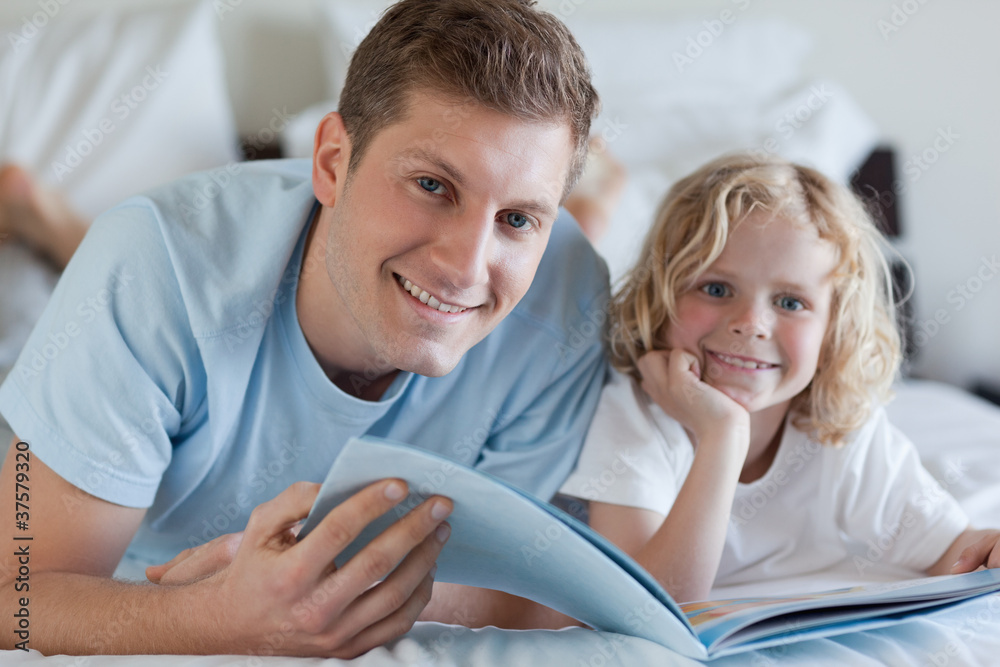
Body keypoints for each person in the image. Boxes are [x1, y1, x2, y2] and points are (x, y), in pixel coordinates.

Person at [0, 0, 607, 656]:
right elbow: (14, 603)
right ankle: (47, 222)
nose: (465, 268)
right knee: (148, 278)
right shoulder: (150, 262)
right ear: (331, 162)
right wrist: (216, 614)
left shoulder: (569, 300)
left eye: (518, 219)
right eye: (433, 185)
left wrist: (310, 588)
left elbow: (532, 587)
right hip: (144, 319)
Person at [560, 153, 1000, 604]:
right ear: (661, 297)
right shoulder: (632, 412)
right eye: (716, 289)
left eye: (790, 302)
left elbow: (952, 549)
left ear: (834, 329)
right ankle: (585, 210)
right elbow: (646, 603)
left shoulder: (840, 429)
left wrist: (988, 549)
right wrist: (722, 435)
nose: (751, 323)